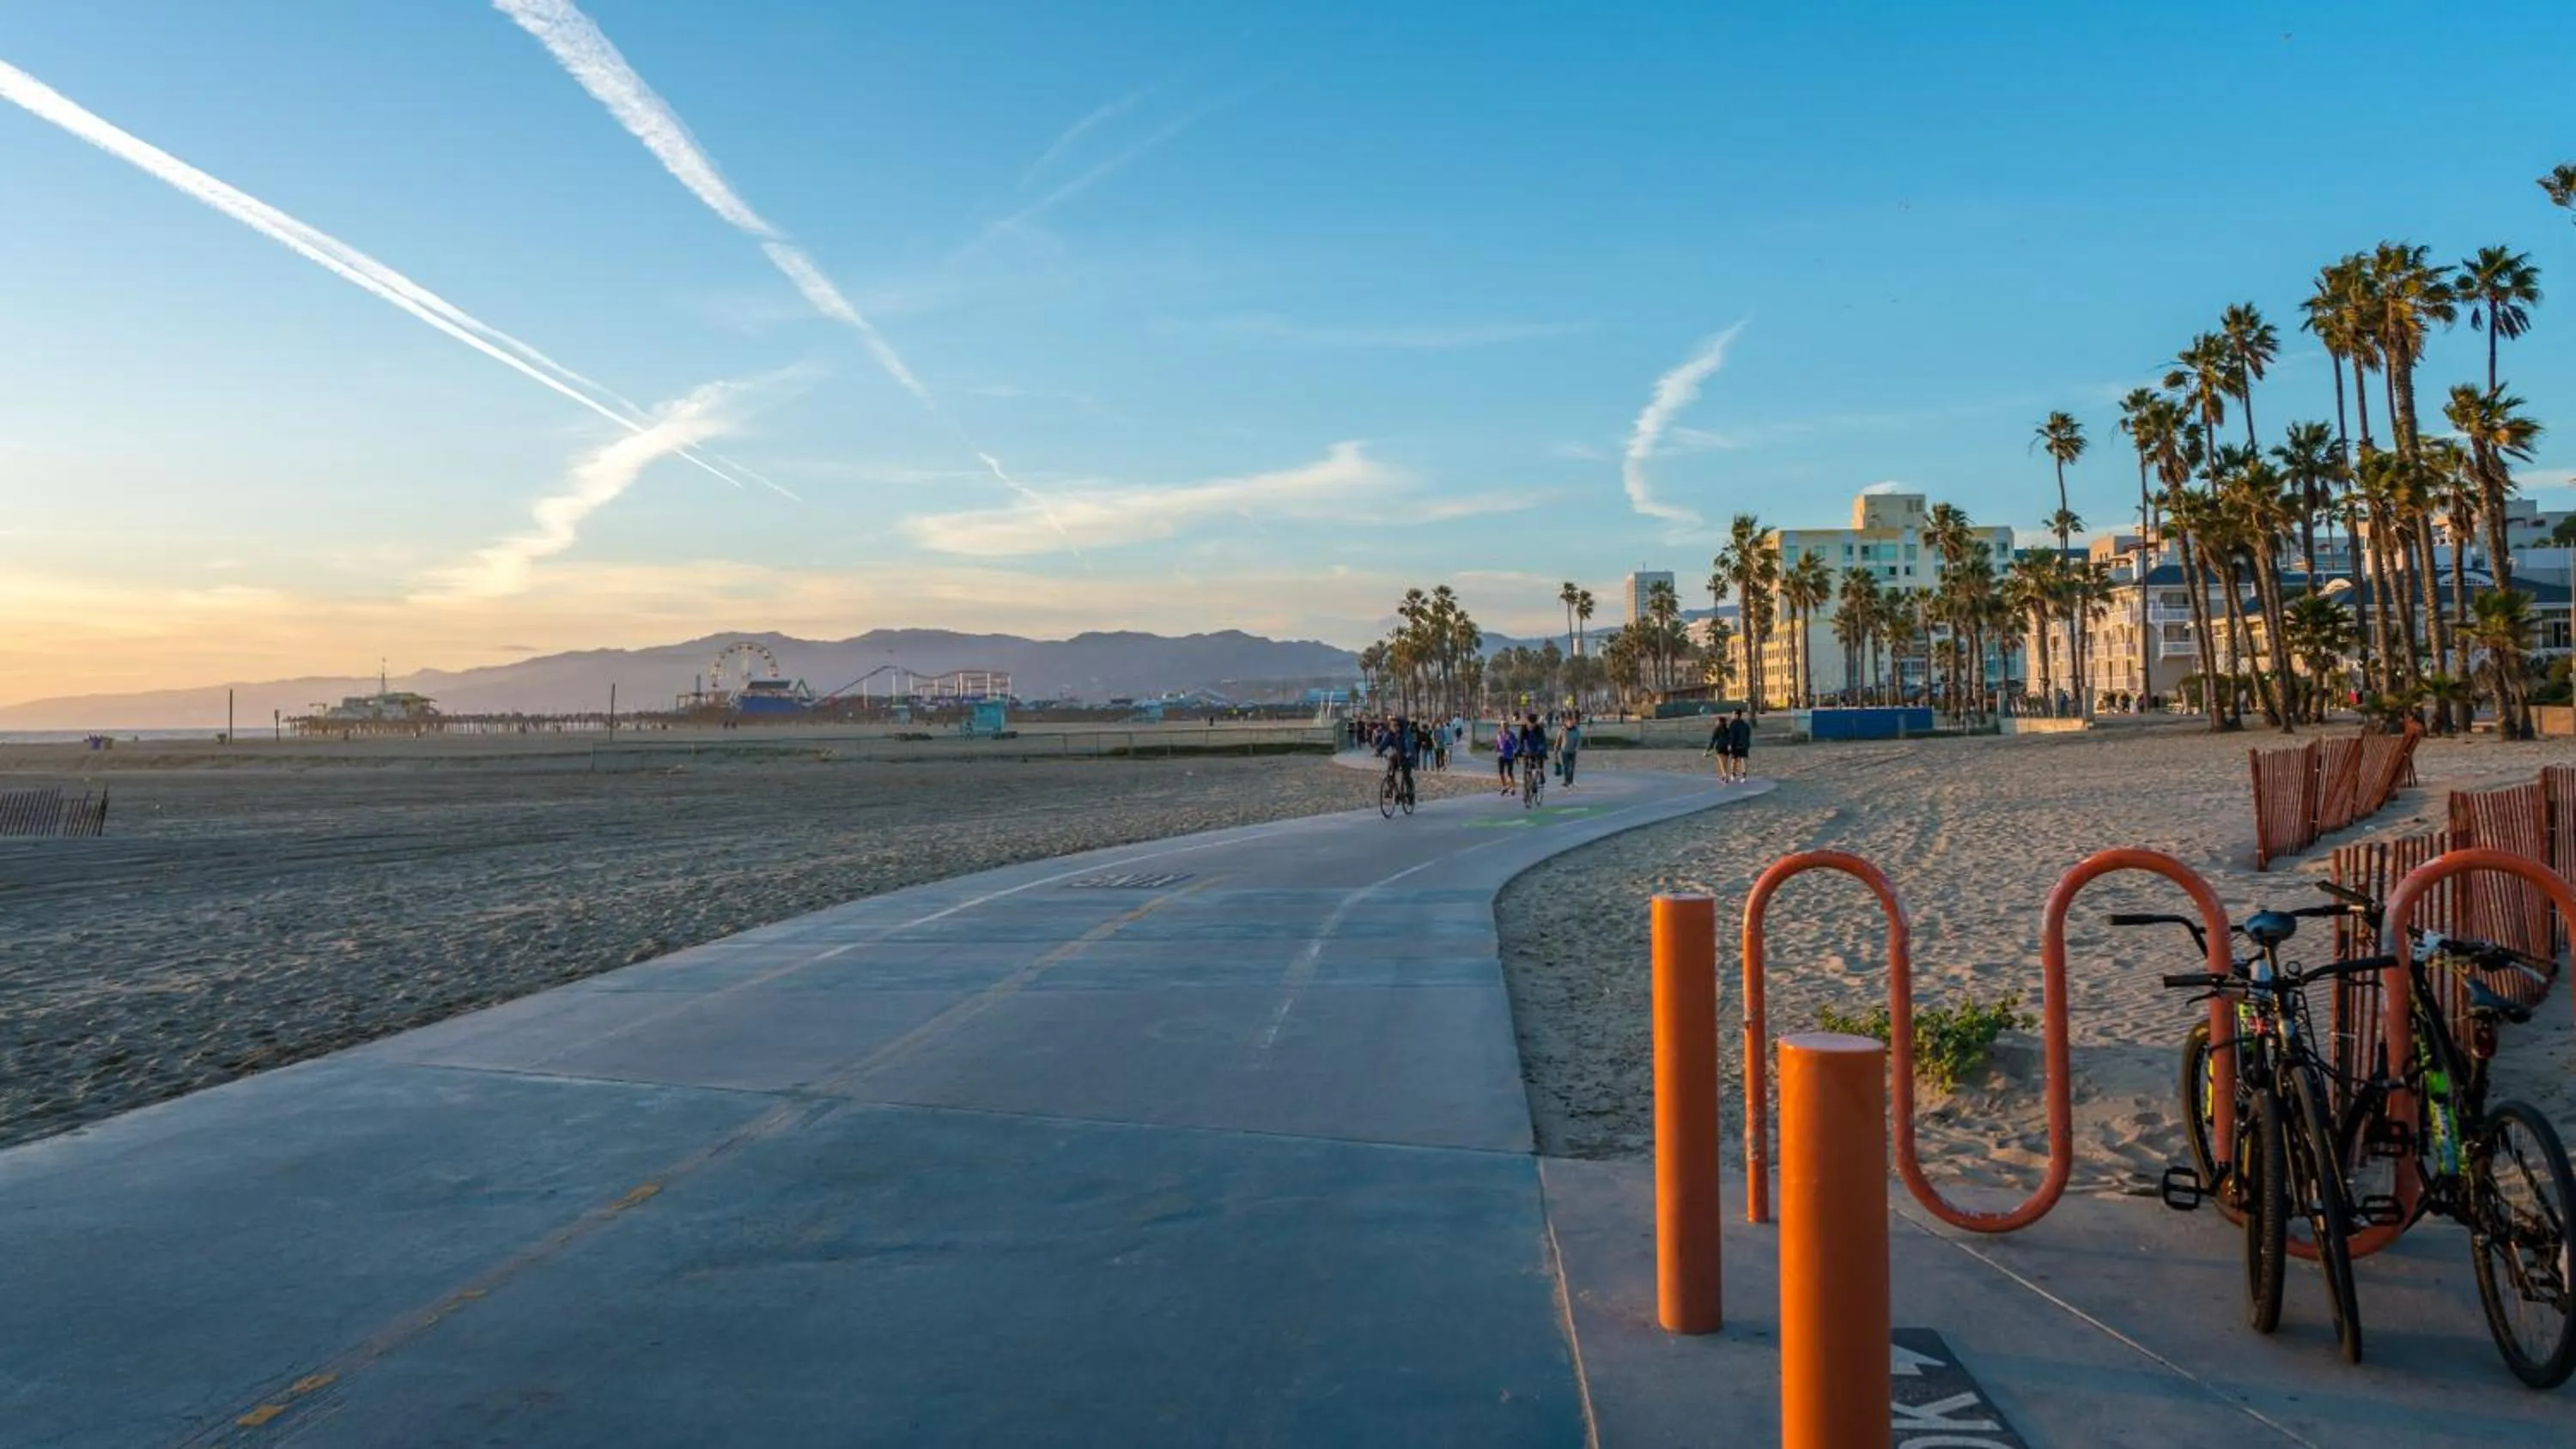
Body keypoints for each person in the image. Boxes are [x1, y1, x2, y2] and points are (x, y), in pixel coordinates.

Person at [1516, 712, 1549, 797]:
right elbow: (1520, 741)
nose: (1531, 726)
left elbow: (1543, 742)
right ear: (1527, 722)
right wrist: (1518, 751)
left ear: (1536, 723)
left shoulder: (1539, 729)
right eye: (1530, 724)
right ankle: (1529, 783)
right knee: (1527, 768)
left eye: (1533, 725)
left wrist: (1542, 750)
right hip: (1527, 751)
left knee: (1540, 761)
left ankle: (1541, 774)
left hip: (1537, 750)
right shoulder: (1523, 729)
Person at [1556, 711, 1583, 788]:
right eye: (1568, 722)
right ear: (1566, 722)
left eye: (1571, 722)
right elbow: (1558, 740)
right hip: (1564, 750)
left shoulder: (1576, 730)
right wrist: (1556, 748)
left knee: (1572, 767)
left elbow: (1578, 740)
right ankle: (1566, 781)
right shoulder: (1562, 730)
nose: (1570, 723)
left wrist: (1577, 748)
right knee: (1566, 766)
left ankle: (1570, 780)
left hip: (1573, 751)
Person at [1727, 707, 1753, 783]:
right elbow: (1748, 734)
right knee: (1743, 760)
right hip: (1744, 744)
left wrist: (1730, 744)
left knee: (1734, 760)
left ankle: (1733, 774)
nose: (1732, 715)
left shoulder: (1732, 724)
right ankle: (1744, 776)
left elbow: (1732, 736)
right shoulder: (1745, 724)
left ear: (1737, 715)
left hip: (1735, 744)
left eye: (1733, 714)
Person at [1495, 717, 1519, 794]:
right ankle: (1504, 786)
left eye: (1506, 725)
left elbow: (1515, 744)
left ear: (1508, 726)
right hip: (1501, 755)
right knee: (1501, 772)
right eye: (1503, 725)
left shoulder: (1511, 734)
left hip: (1509, 755)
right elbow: (1498, 743)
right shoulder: (1499, 734)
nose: (1504, 727)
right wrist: (1497, 749)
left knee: (1509, 772)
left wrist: (1511, 741)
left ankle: (1513, 787)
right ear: (1501, 726)